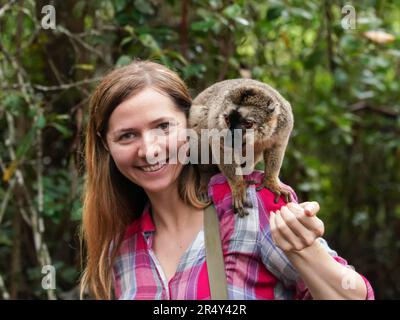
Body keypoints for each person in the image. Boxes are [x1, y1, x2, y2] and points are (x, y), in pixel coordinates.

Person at [80, 60, 374, 300]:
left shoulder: (252, 202)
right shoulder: (119, 247)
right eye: (127, 135)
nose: (150, 150)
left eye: (163, 126)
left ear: (190, 124)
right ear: (106, 145)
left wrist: (304, 248)